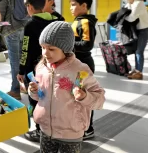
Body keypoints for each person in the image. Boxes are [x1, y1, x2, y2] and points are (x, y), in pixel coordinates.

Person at [29, 21, 105, 153]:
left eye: (51, 49)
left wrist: (85, 96)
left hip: (71, 132)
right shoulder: (41, 67)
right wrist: (33, 91)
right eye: (43, 47)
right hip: (45, 129)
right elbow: (41, 96)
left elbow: (99, 99)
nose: (45, 53)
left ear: (65, 49)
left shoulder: (80, 70)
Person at [16, 0, 59, 142]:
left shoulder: (30, 25)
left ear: (29, 7)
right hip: (53, 67)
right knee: (51, 97)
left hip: (33, 71)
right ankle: (52, 127)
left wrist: (21, 70)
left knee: (35, 98)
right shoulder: (55, 21)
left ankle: (40, 131)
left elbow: (25, 50)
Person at [0, 0, 31, 100]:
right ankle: (28, 87)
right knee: (25, 59)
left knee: (14, 61)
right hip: (26, 27)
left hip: (12, 29)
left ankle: (15, 90)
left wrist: (1, 26)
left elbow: (1, 11)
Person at [69, 0, 98, 140]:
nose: (70, 8)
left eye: (73, 5)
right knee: (76, 95)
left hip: (84, 67)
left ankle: (88, 128)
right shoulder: (78, 20)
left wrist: (68, 45)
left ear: (84, 6)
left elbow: (87, 44)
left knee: (83, 96)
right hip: (77, 65)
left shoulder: (85, 22)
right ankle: (81, 125)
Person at [123, 0, 148, 79]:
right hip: (138, 30)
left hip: (144, 30)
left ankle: (139, 72)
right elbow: (124, 11)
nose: (125, 0)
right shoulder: (130, 4)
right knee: (136, 51)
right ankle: (136, 70)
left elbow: (131, 18)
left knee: (139, 51)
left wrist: (122, 18)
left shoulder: (138, 3)